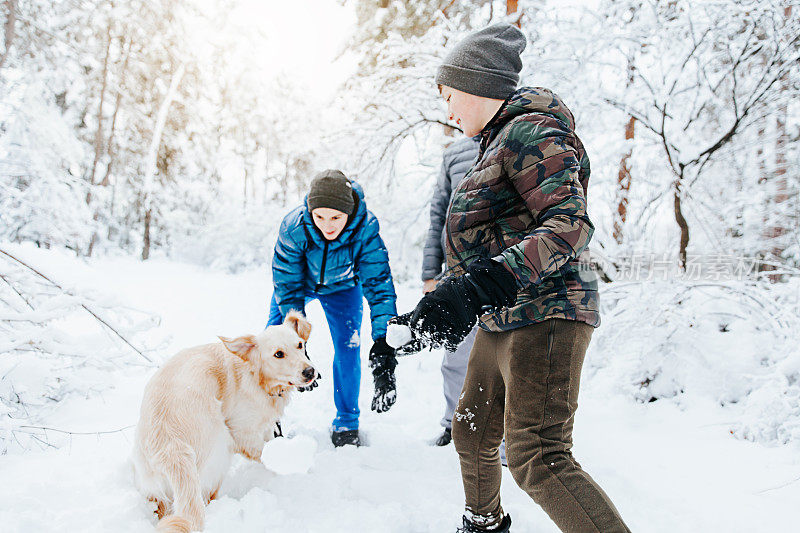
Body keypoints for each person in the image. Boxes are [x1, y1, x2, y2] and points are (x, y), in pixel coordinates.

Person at [393, 23, 631, 533]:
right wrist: (419, 323)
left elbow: (570, 224)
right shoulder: (494, 141)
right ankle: (483, 523)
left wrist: (482, 285)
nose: (449, 110)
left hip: (548, 311)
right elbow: (487, 241)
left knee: (537, 456)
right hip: (505, 312)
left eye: (451, 95)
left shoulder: (533, 130)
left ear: (480, 87)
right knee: (473, 431)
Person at [268, 169, 398, 448]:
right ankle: (269, 418)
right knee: (272, 343)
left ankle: (347, 422)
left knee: (348, 346)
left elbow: (379, 285)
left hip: (343, 287)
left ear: (349, 213)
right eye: (320, 217)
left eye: (336, 218)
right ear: (310, 212)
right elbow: (287, 284)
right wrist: (296, 344)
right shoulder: (294, 227)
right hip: (299, 285)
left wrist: (385, 345)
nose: (328, 225)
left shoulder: (365, 229)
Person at [421, 135, 480, 447]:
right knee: (456, 356)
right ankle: (454, 424)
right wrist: (430, 271)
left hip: (505, 270)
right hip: (457, 273)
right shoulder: (454, 153)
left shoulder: (515, 139)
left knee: (504, 358)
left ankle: (505, 436)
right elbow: (438, 215)